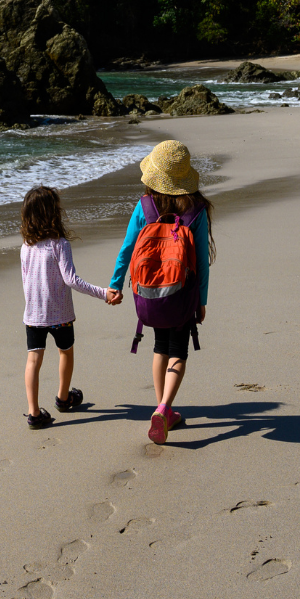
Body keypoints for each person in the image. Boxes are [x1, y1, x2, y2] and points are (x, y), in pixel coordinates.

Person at [107, 140, 215, 444]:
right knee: (178, 351)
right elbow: (202, 263)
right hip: (182, 295)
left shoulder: (144, 206)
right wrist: (202, 301)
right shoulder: (196, 211)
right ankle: (166, 407)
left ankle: (161, 408)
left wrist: (116, 284)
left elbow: (127, 249)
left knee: (159, 347)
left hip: (150, 295)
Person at [20, 185, 119, 429]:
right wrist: (103, 293)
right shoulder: (59, 244)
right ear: (53, 213)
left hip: (33, 315)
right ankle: (63, 398)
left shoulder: (26, 246)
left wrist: (33, 306)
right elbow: (71, 280)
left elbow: (26, 280)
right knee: (65, 352)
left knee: (33, 359)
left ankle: (34, 413)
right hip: (60, 314)